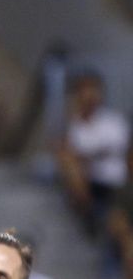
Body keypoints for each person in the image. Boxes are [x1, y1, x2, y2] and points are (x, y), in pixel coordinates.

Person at [55, 69, 128, 237]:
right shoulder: (74, 126)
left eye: (92, 91)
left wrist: (85, 156)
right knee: (69, 164)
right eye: (83, 92)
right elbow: (66, 152)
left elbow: (116, 149)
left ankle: (91, 216)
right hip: (90, 181)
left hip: (114, 180)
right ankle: (89, 213)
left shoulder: (113, 121)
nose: (88, 96)